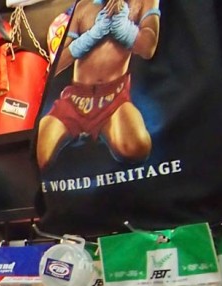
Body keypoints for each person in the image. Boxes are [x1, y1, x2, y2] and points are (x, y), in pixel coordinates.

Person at [36, 0, 162, 168]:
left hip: (114, 98)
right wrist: (91, 36)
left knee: (137, 146)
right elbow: (57, 65)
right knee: (40, 156)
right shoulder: (83, 6)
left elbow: (148, 48)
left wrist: (124, 28)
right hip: (74, 99)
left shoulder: (144, 2)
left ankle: (103, 130)